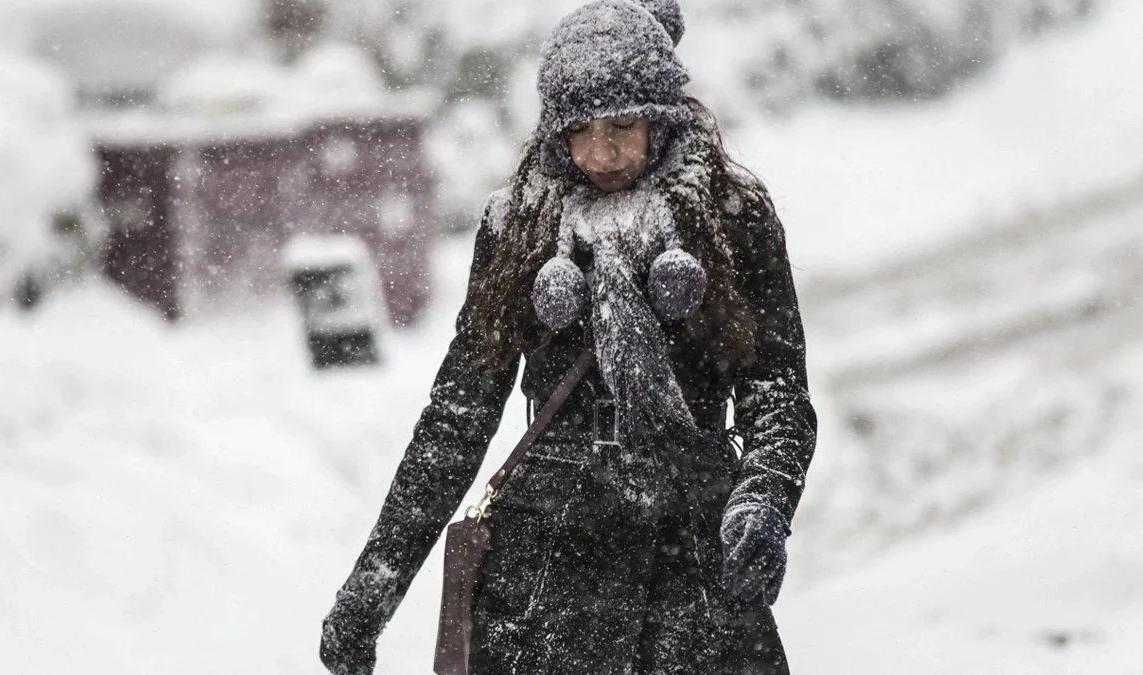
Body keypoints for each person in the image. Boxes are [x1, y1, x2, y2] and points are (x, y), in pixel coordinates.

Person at [319, 0, 817, 672]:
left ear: (664, 119)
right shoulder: (518, 227)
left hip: (692, 564)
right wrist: (374, 585)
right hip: (547, 582)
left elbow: (777, 389)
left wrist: (764, 496)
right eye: (580, 131)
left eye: (623, 126)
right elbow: (457, 418)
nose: (602, 152)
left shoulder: (733, 215)